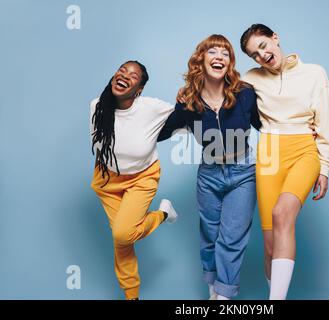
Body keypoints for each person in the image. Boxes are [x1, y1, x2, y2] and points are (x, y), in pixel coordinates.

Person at [158, 34, 261, 300]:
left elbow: (268, 124)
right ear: (201, 60)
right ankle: (213, 290)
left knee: (232, 238)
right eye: (212, 52)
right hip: (209, 174)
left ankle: (224, 298)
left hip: (243, 173)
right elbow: (162, 131)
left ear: (230, 62)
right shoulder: (188, 100)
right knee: (210, 236)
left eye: (225, 53)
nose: (219, 57)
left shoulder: (245, 93)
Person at [240, 24, 329, 300]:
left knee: (282, 214)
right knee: (270, 245)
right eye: (254, 55)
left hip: (304, 151)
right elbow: (224, 98)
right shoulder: (251, 78)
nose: (262, 56)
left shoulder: (314, 73)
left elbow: (327, 120)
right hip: (269, 153)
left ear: (275, 38)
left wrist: (325, 166)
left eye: (263, 46)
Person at [90, 60, 178, 300]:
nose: (125, 75)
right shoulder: (97, 107)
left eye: (133, 75)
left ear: (138, 89)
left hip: (142, 177)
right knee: (122, 242)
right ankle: (132, 296)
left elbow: (184, 115)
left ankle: (162, 214)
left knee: (122, 234)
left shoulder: (150, 108)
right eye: (122, 70)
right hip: (107, 182)